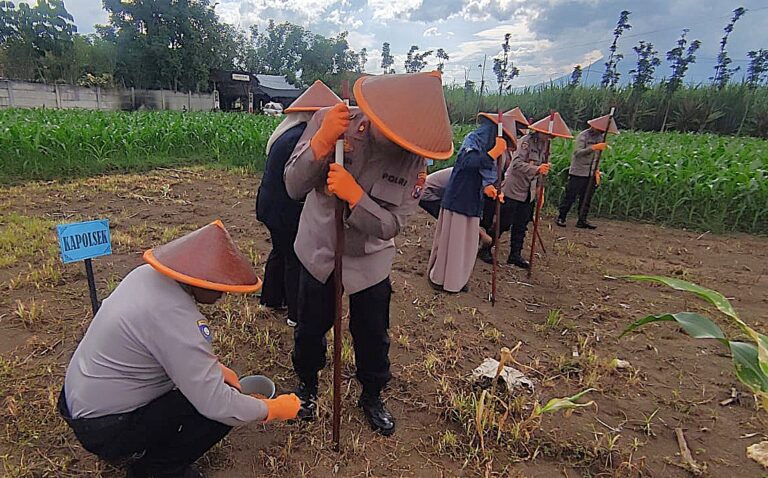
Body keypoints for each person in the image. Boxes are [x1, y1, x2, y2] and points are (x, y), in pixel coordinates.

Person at [59, 221, 300, 478]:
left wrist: (215, 369)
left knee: (203, 391)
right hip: (103, 427)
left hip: (78, 403)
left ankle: (133, 443)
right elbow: (217, 405)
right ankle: (156, 469)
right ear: (197, 279)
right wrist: (271, 410)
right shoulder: (177, 318)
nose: (222, 295)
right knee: (217, 413)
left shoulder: (143, 276)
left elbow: (157, 344)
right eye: (218, 286)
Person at [284, 71, 453, 436]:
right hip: (320, 249)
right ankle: (308, 386)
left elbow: (393, 224)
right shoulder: (334, 120)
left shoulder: (414, 159)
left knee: (373, 334)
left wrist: (355, 198)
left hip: (370, 259)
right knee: (311, 326)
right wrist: (322, 142)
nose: (401, 141)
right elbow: (293, 185)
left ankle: (372, 395)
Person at [256, 81, 342, 326]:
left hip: (268, 204)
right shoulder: (303, 138)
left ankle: (271, 299)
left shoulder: (285, 133)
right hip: (285, 207)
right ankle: (296, 313)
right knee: (295, 257)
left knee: (279, 251)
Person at [427, 111, 516, 293]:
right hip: (459, 198)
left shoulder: (493, 149)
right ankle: (441, 279)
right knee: (452, 242)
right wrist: (492, 153)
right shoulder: (473, 140)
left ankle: (456, 281)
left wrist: (490, 189)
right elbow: (468, 162)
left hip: (473, 201)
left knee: (465, 244)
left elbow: (484, 174)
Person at [501, 112, 573, 269]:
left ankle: (515, 255)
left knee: (522, 224)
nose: (550, 138)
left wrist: (540, 191)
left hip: (529, 192)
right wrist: (536, 168)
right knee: (504, 222)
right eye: (548, 135)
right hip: (514, 188)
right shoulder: (526, 142)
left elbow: (542, 172)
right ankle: (486, 246)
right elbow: (516, 164)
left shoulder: (546, 146)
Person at [477, 107, 530, 265]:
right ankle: (482, 247)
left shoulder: (511, 146)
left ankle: (492, 247)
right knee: (486, 219)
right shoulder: (495, 142)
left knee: (503, 221)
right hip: (489, 186)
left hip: (502, 187)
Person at [556, 113, 619, 229]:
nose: (601, 132)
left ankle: (582, 220)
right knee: (570, 196)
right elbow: (577, 153)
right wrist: (593, 148)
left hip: (591, 173)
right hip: (578, 172)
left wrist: (597, 172)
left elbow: (597, 158)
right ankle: (561, 217)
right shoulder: (583, 136)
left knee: (586, 198)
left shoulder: (600, 137)